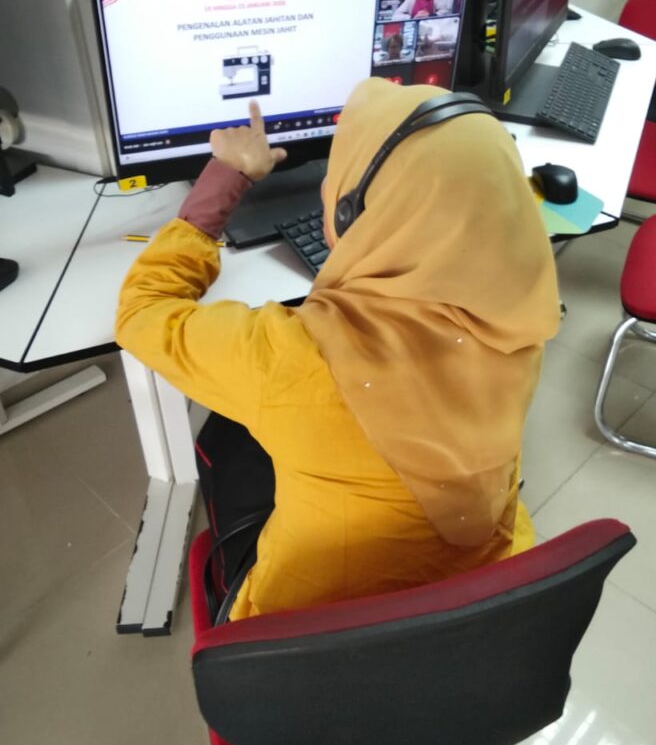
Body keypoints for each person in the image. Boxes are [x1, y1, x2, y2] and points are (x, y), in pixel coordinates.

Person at [115, 78, 560, 619]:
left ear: (349, 213)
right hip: (484, 594)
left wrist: (230, 171)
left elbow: (141, 311)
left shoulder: (289, 358)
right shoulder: (522, 320)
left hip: (306, 622)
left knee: (224, 439)